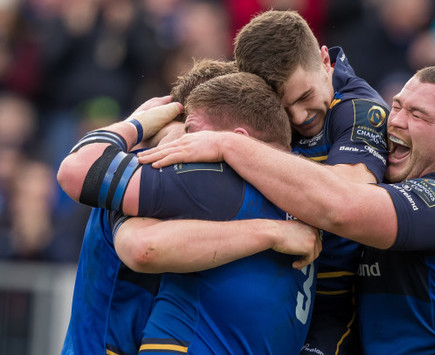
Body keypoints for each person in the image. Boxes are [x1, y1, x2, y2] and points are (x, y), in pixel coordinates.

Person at [139, 65, 435, 353]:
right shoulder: (403, 177)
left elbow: (340, 207)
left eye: (419, 115)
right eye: (396, 104)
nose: (396, 120)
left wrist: (228, 146)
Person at [57, 70, 321, 354]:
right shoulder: (306, 188)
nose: (185, 144)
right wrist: (272, 233)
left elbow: (142, 246)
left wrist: (134, 125)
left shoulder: (212, 179)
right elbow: (140, 246)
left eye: (191, 131)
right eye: (185, 130)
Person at [232, 10, 389, 354]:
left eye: (304, 98)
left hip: (335, 311)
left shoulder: (360, 110)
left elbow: (345, 197)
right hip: (266, 294)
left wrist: (232, 148)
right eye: (283, 110)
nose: (300, 118)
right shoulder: (254, 108)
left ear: (324, 59)